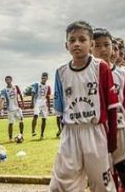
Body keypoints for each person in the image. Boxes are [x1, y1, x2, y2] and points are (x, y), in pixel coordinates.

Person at [50, 21, 119, 192]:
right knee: (61, 183)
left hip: (95, 130)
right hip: (70, 132)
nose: (77, 44)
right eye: (72, 40)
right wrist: (64, 135)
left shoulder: (101, 67)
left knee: (101, 183)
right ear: (66, 45)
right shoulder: (60, 72)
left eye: (82, 39)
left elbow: (112, 107)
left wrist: (112, 139)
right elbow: (60, 111)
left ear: (91, 44)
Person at [93, 28, 125, 191]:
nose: (102, 49)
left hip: (120, 129)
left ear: (113, 48)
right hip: (95, 130)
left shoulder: (124, 74)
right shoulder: (87, 74)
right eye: (97, 45)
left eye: (106, 45)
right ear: (91, 47)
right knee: (102, 175)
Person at [0, 75, 25, 141]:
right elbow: (2, 99)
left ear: (11, 80)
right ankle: (10, 138)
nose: (8, 81)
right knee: (10, 123)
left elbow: (20, 95)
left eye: (9, 79)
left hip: (17, 108)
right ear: (5, 81)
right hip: (10, 109)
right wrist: (1, 107)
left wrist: (22, 103)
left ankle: (21, 134)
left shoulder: (16, 87)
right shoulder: (4, 90)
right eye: (6, 80)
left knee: (21, 121)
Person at [31, 72, 52, 138]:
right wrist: (31, 102)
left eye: (45, 76)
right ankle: (33, 131)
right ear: (41, 77)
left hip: (44, 103)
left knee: (44, 119)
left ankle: (42, 134)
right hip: (37, 101)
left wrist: (49, 107)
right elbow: (33, 93)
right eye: (43, 76)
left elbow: (48, 97)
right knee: (35, 116)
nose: (44, 77)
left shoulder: (48, 87)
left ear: (47, 78)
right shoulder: (36, 84)